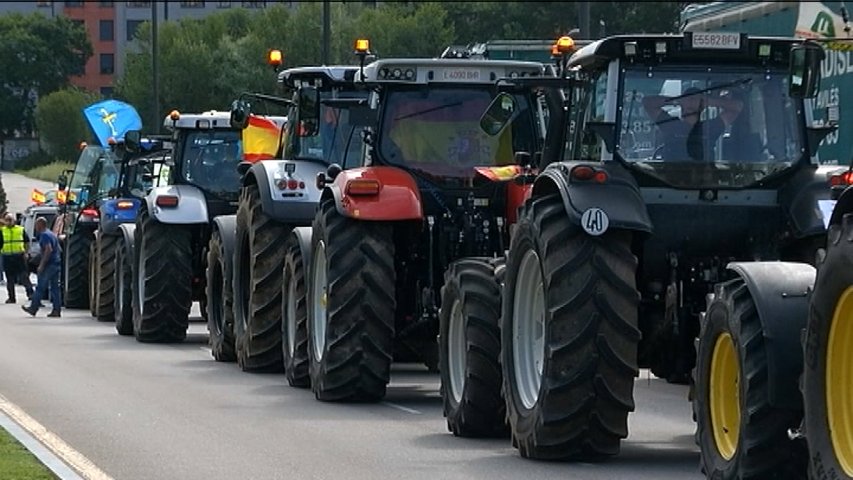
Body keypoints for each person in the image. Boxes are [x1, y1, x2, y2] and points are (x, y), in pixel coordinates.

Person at [642, 86, 744, 161]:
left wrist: (709, 101)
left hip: (704, 183)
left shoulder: (710, 128)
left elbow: (737, 107)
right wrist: (676, 100)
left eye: (695, 100)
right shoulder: (671, 125)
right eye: (688, 100)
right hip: (672, 180)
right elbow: (647, 102)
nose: (691, 103)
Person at [22, 217, 61, 317]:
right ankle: (56, 310)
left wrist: (41, 265)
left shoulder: (44, 235)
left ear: (40, 225)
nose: (35, 227)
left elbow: (48, 249)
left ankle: (33, 308)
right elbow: (58, 249)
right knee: (55, 288)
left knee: (40, 287)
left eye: (36, 225)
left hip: (49, 264)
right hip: (56, 263)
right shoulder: (51, 234)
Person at [0, 213, 32, 303]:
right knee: (10, 279)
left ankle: (30, 294)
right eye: (7, 220)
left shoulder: (20, 229)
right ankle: (11, 297)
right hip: (7, 256)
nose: (9, 222)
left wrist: (26, 253)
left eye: (10, 220)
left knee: (24, 276)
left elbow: (26, 241)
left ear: (14, 220)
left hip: (19, 256)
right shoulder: (2, 231)